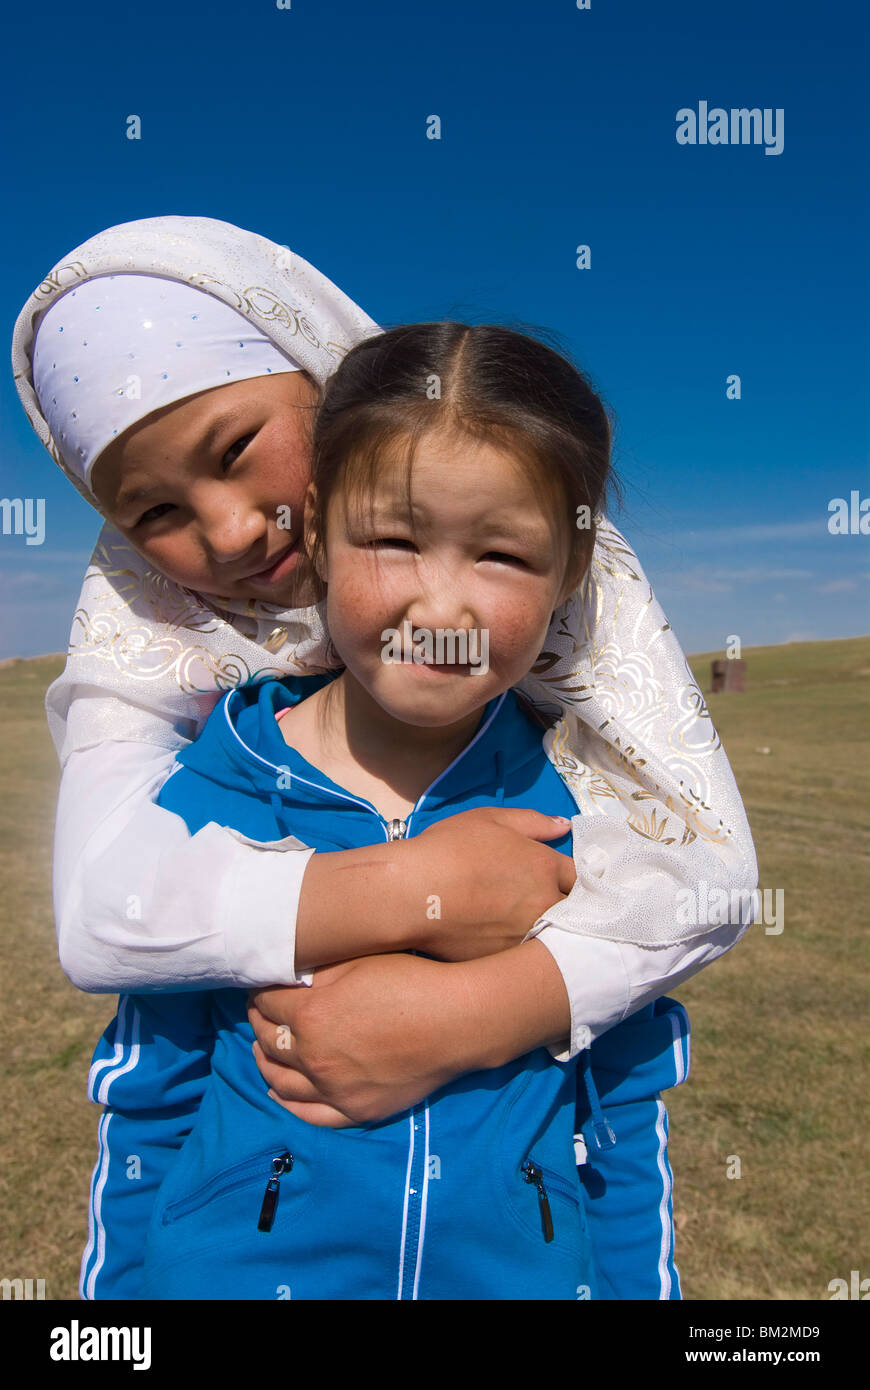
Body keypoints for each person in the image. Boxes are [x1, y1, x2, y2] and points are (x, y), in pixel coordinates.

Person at [11, 215, 755, 1294]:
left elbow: (704, 885)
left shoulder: (565, 765)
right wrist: (417, 886)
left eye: (234, 451)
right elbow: (105, 930)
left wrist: (465, 1014)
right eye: (156, 511)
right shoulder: (202, 743)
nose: (227, 536)